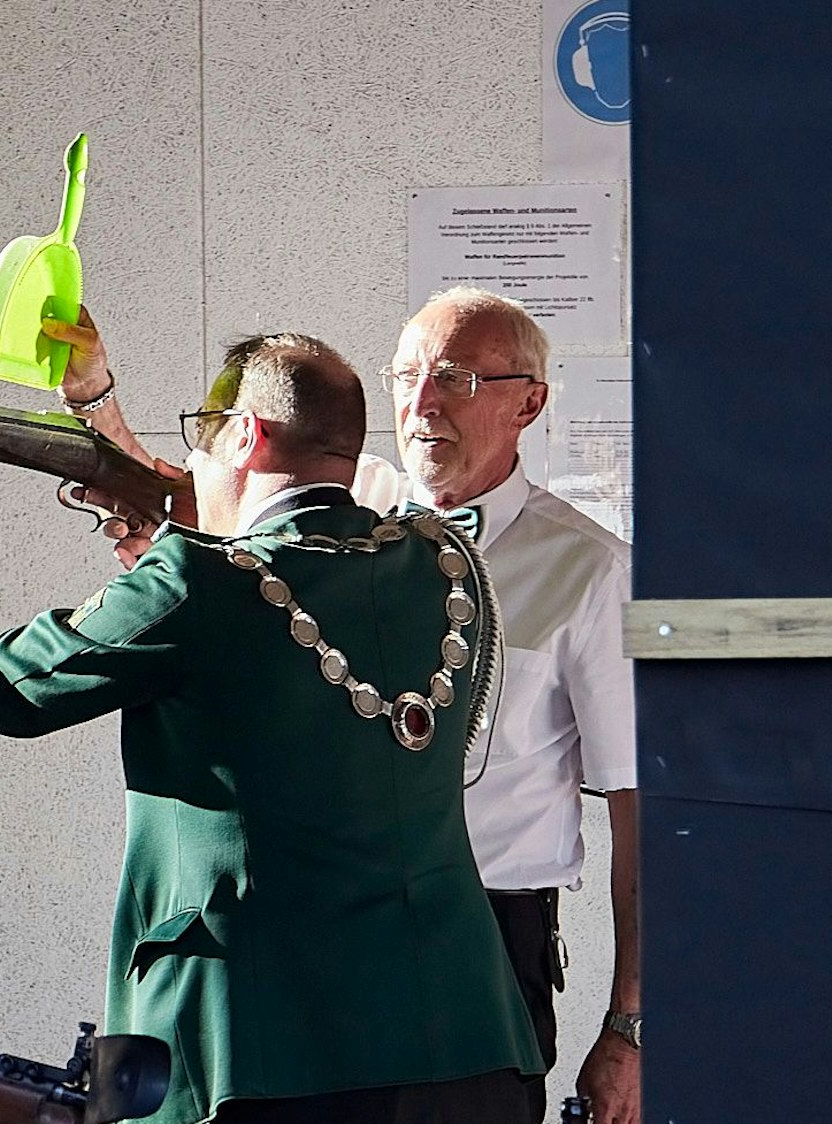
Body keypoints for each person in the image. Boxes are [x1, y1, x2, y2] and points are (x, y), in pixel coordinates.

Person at [0, 334, 542, 1124]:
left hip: (253, 1048)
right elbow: (302, 574)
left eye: (204, 432)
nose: (194, 460)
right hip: (466, 1036)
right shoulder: (447, 564)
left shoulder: (191, 584)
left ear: (246, 434)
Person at [46, 290, 640, 1124]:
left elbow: (638, 807)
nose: (422, 401)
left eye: (459, 379)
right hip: (319, 927)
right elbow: (191, 494)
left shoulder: (590, 569)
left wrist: (630, 1026)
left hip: (485, 940)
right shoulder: (352, 505)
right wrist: (93, 396)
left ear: (530, 401)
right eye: (407, 375)